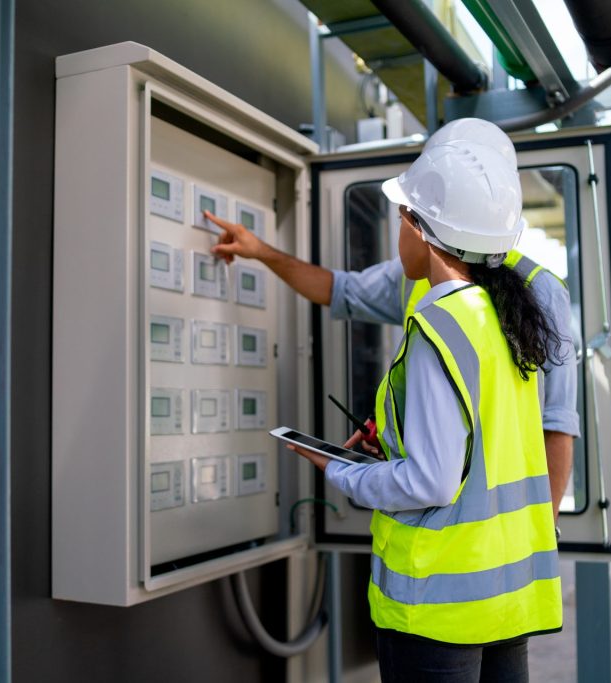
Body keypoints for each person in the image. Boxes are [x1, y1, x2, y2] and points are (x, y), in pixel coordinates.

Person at [207, 119, 567, 680]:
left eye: (403, 215)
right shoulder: (506, 311)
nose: (397, 226)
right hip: (506, 592)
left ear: (423, 230)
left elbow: (435, 479)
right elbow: (489, 434)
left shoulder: (441, 323)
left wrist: (340, 471)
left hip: (435, 600)